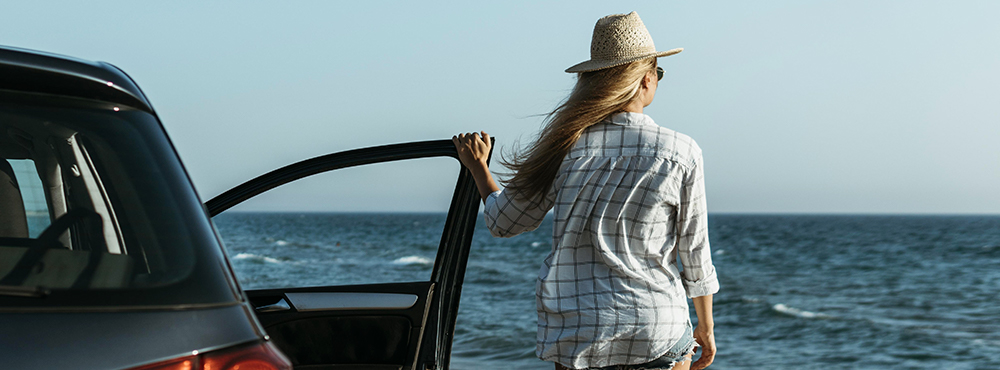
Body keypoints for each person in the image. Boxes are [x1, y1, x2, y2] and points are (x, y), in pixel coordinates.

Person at [453, 11, 718, 370]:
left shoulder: (562, 146)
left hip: (579, 337)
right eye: (658, 72)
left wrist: (478, 168)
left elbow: (505, 221)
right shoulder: (681, 151)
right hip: (658, 330)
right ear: (645, 79)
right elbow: (695, 254)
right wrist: (706, 327)